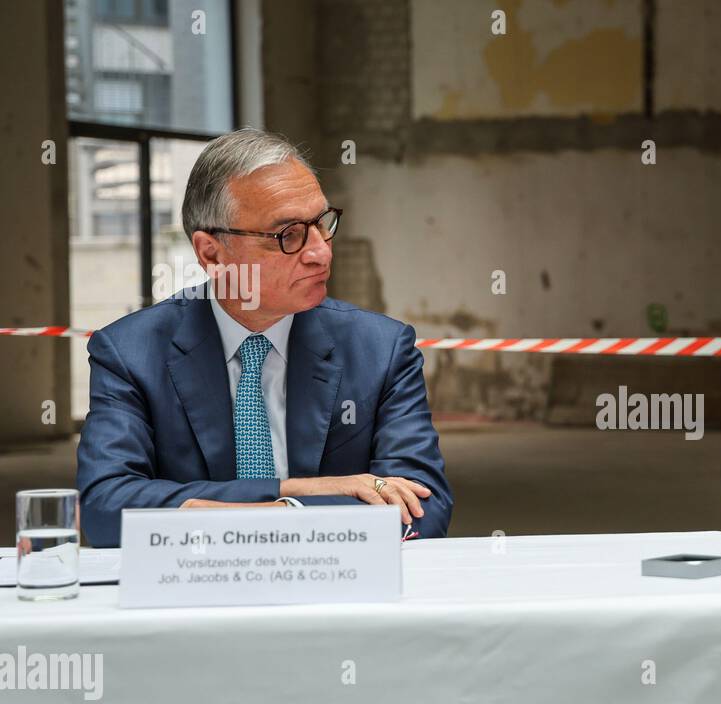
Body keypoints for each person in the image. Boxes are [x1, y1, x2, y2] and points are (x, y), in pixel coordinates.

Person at [77, 128, 452, 547]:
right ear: (211, 254)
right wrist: (293, 492)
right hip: (192, 595)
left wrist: (226, 515)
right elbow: (106, 510)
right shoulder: (130, 353)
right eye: (288, 235)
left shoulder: (381, 349)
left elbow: (423, 508)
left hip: (337, 595)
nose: (321, 251)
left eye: (322, 223)